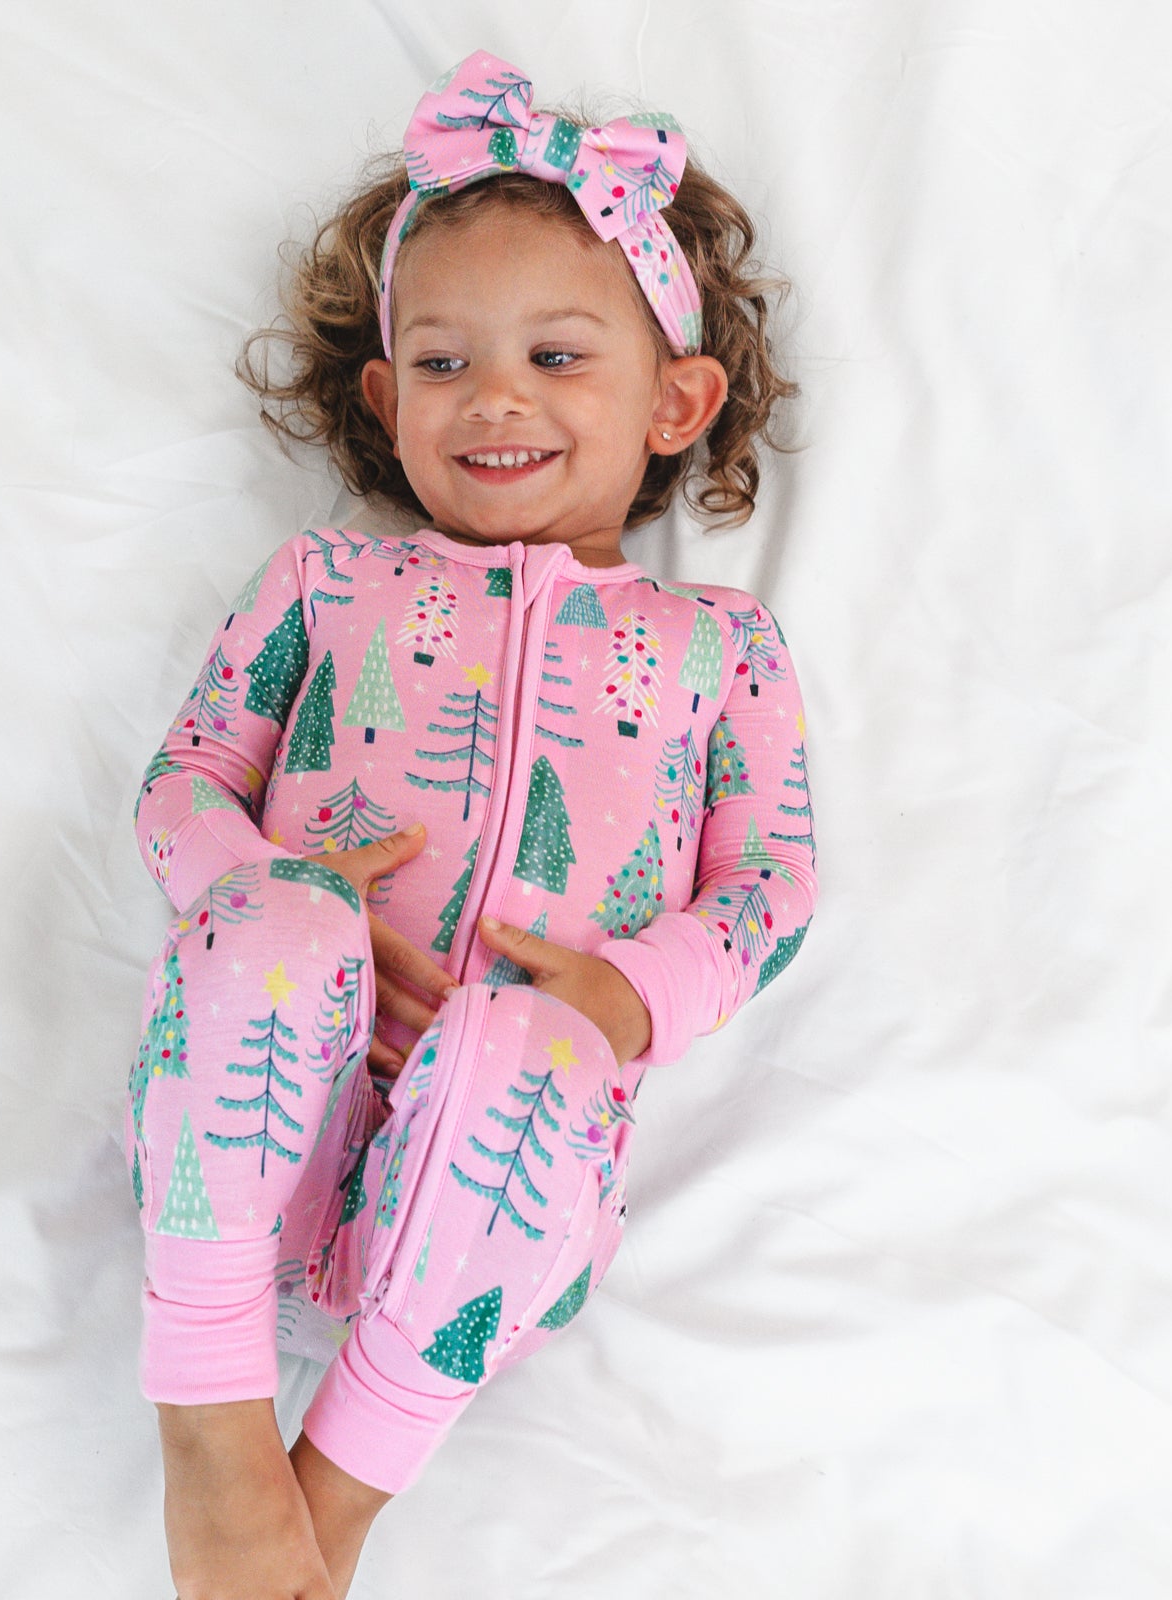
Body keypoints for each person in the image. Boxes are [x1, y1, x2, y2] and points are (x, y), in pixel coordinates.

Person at [125, 48, 820, 1599]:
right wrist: (267, 884)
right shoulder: (326, 584)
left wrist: (635, 994)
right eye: (442, 364)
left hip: (497, 1178)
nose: (494, 396)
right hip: (255, 1122)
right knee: (281, 923)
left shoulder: (725, 651)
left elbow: (769, 887)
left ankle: (336, 1495)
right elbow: (180, 790)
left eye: (559, 357)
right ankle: (212, 1418)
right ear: (383, 397)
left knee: (532, 1048)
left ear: (676, 401)